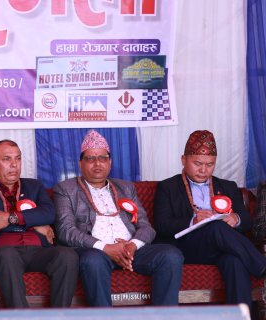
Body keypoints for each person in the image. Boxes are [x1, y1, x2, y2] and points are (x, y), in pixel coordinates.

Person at [54, 130, 183, 307]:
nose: (97, 163)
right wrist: (106, 248)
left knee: (170, 255)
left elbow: (146, 226)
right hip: (96, 250)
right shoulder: (66, 189)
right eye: (90, 159)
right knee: (93, 261)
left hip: (130, 249)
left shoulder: (126, 188)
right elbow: (66, 231)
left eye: (103, 158)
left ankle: (164, 319)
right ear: (80, 163)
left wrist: (132, 246)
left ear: (110, 162)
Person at [154, 130, 266, 305]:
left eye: (210, 165)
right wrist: (193, 220)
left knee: (235, 261)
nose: (203, 170)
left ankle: (241, 319)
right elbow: (162, 225)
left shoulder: (227, 186)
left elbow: (246, 220)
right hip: (187, 247)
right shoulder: (168, 187)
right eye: (197, 163)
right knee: (215, 227)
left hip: (221, 247)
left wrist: (236, 218)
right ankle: (262, 266)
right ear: (183, 160)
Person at [0, 140, 79, 308]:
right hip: (2, 250)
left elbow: (49, 214)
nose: (14, 164)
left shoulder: (34, 186)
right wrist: (35, 223)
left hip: (37, 250)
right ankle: (22, 319)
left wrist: (10, 218)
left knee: (67, 255)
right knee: (7, 255)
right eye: (6, 159)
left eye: (18, 158)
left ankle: (59, 317)